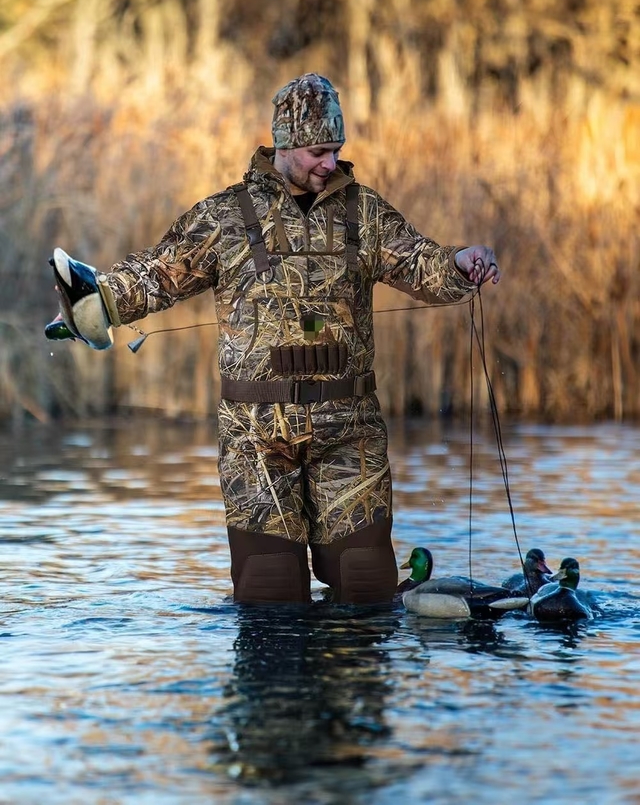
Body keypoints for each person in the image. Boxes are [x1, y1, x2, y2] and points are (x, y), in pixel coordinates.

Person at [46, 73, 500, 605]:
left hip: (349, 437)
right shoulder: (225, 215)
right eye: (316, 151)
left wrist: (460, 265)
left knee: (368, 592)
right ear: (284, 144)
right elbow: (159, 272)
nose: (329, 163)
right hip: (255, 442)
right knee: (269, 602)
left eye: (336, 150)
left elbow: (424, 266)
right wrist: (99, 303)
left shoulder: (366, 213)